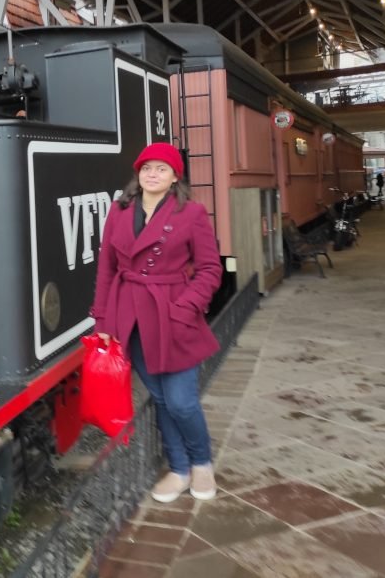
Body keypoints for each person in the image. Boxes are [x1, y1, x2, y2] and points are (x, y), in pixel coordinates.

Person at [90, 143, 223, 503]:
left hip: (173, 313)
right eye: (146, 168)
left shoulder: (191, 213)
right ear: (138, 173)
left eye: (162, 169)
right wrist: (102, 319)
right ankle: (179, 470)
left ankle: (202, 463)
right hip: (130, 315)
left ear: (175, 176)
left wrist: (186, 307)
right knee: (161, 399)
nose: (152, 174)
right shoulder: (119, 211)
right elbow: (107, 269)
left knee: (181, 401)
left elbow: (211, 269)